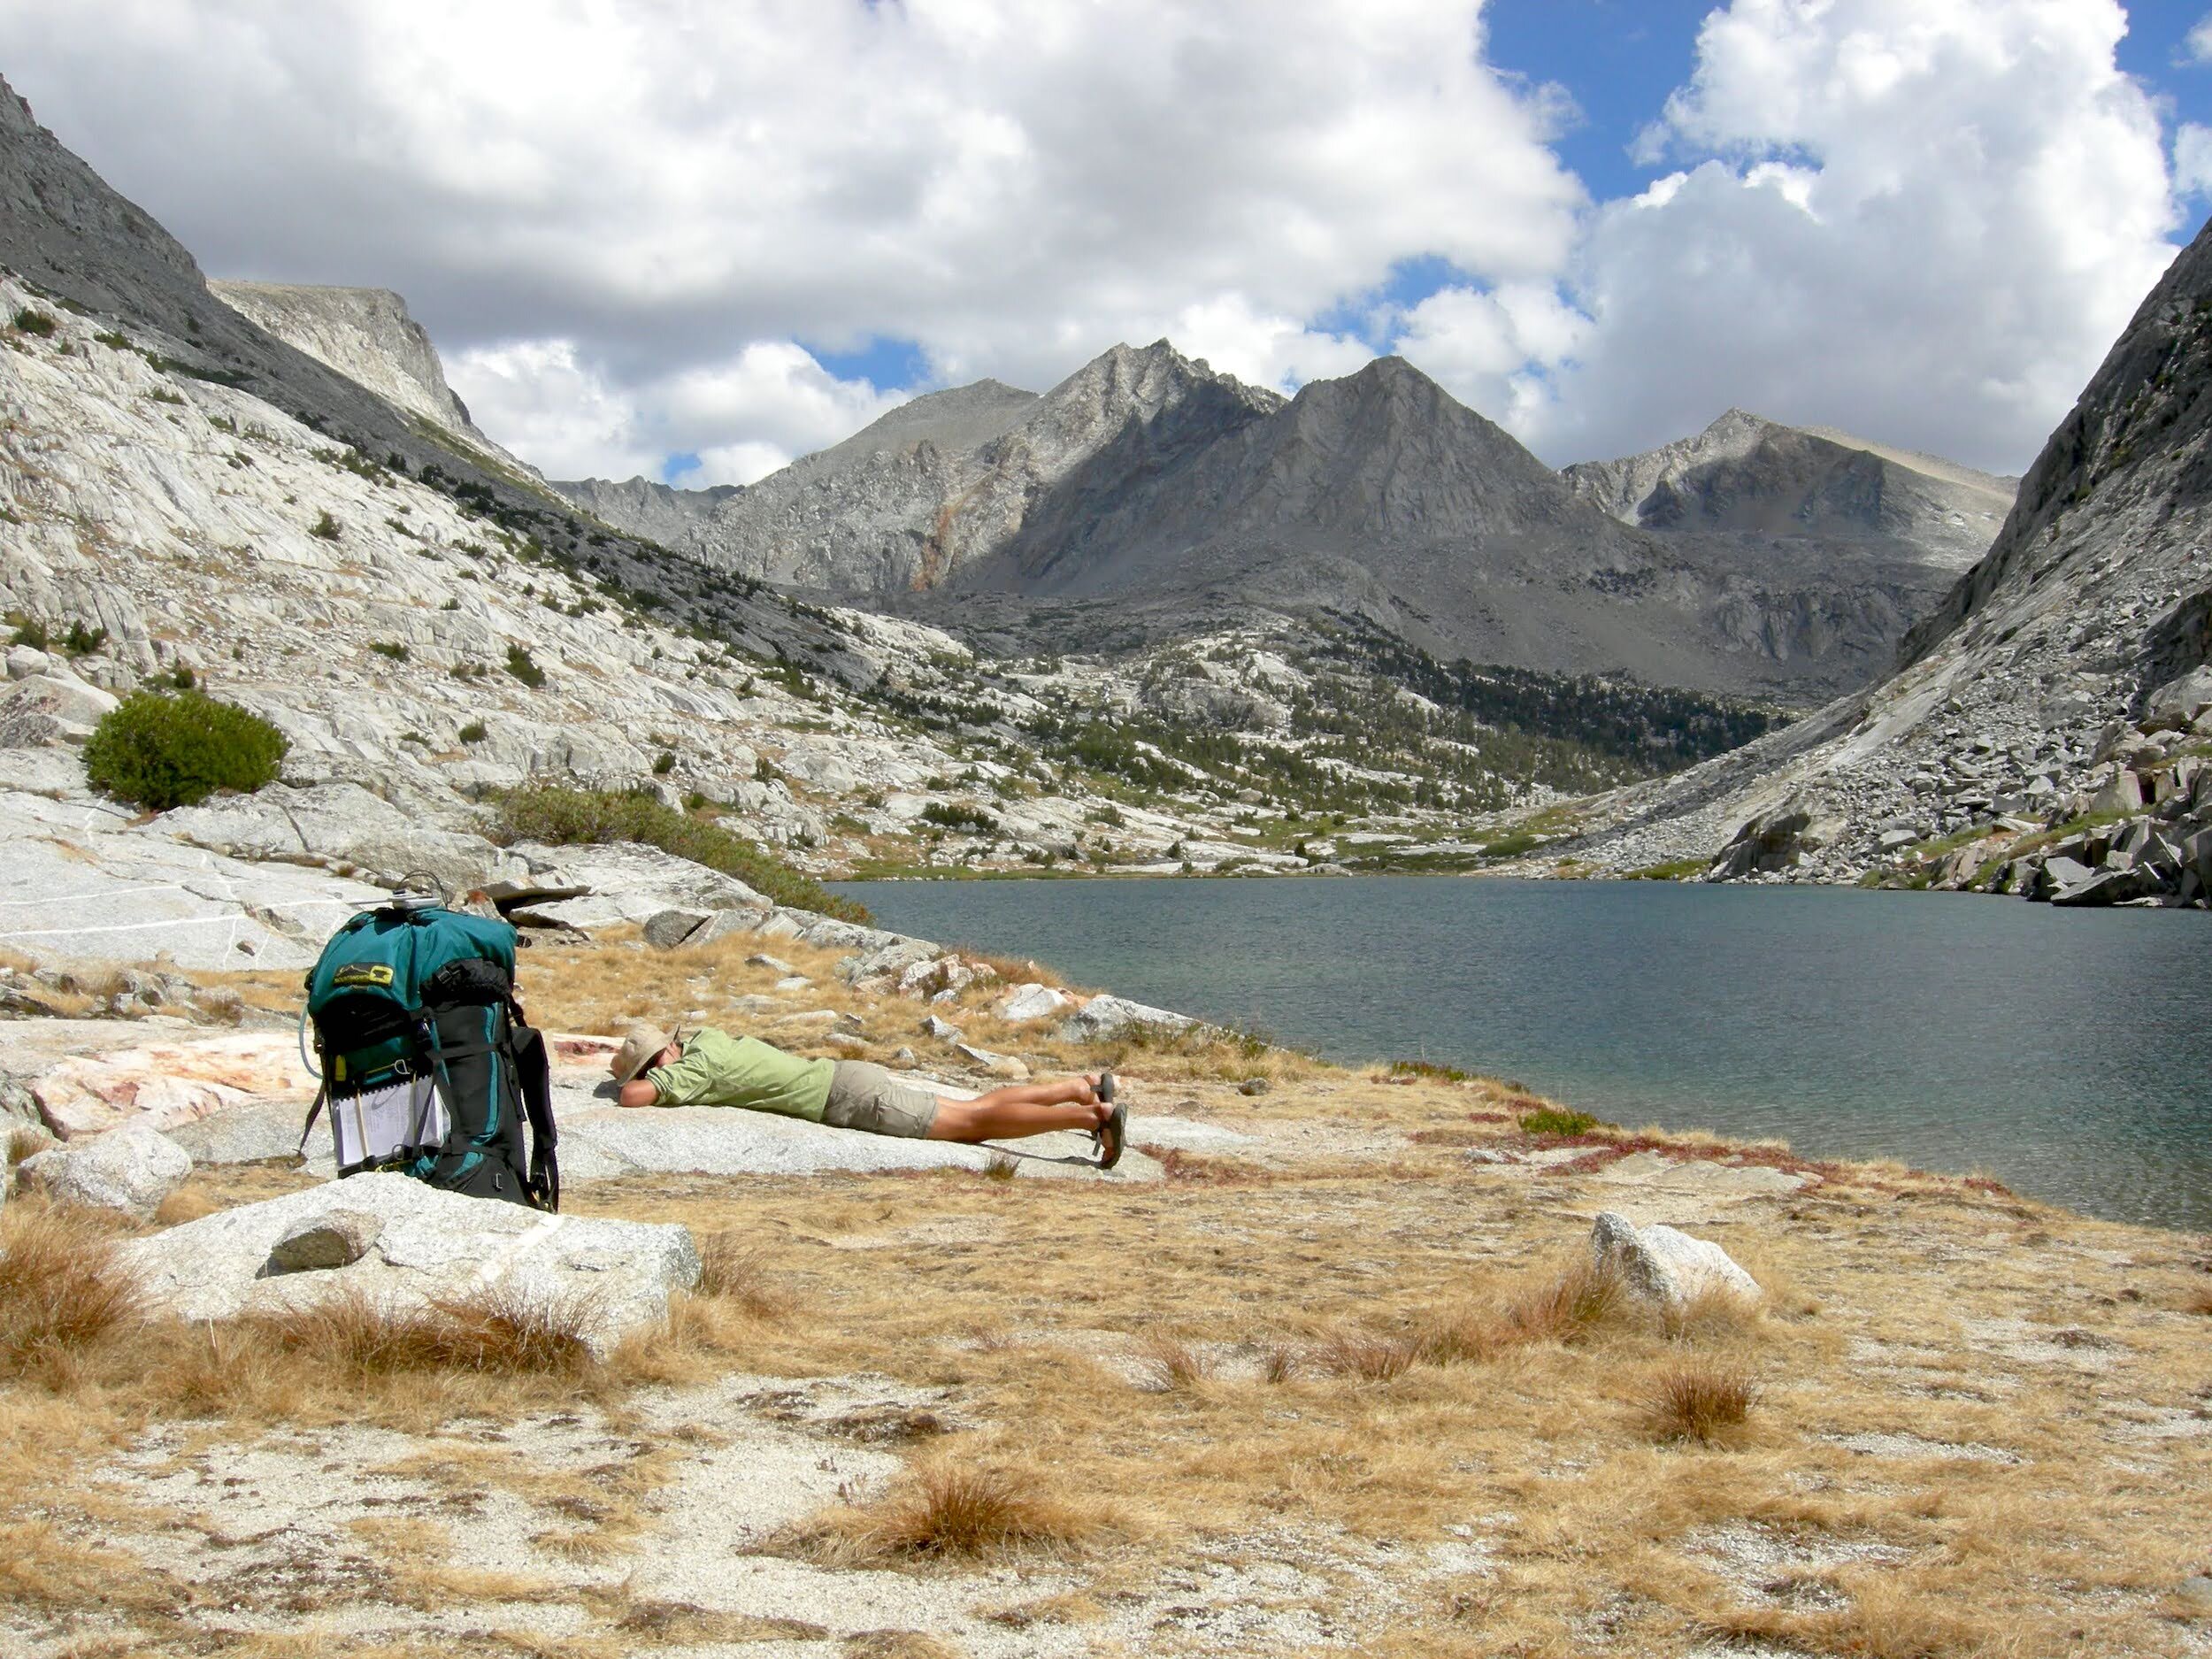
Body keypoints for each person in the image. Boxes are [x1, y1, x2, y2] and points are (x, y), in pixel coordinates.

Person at [606, 1023, 1128, 1168]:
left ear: (657, 1060)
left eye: (647, 1065)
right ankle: (1079, 1087)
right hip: (847, 1077)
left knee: (976, 1125)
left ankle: (1090, 1118)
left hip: (848, 1102)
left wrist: (632, 1078)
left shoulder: (694, 1070)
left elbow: (633, 1099)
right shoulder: (705, 1038)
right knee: (976, 1110)